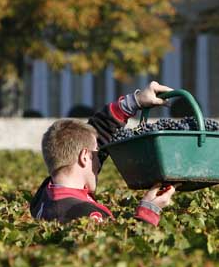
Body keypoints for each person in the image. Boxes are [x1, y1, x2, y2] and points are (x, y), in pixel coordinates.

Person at [29, 81, 175, 225]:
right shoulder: (86, 214)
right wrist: (149, 211)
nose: (99, 158)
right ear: (85, 157)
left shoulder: (45, 193)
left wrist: (135, 101)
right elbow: (122, 246)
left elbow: (96, 133)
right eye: (96, 152)